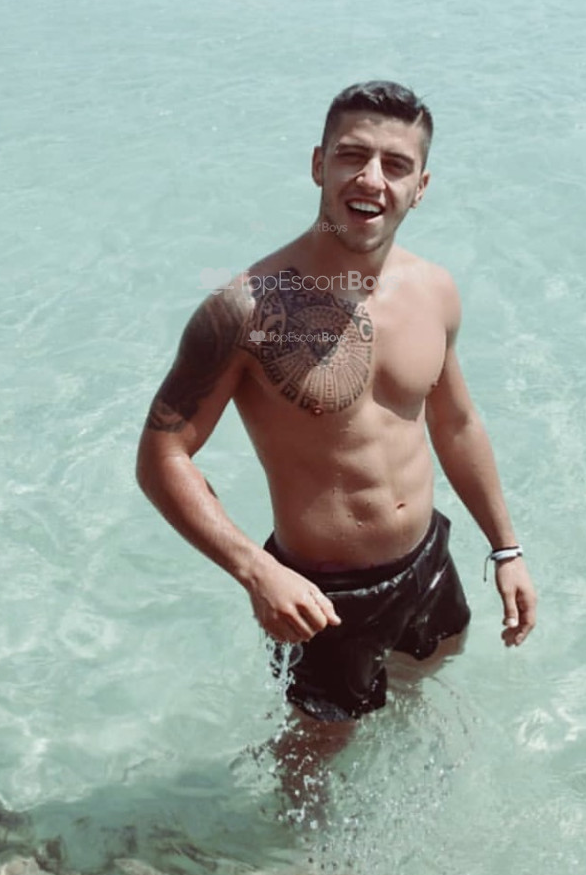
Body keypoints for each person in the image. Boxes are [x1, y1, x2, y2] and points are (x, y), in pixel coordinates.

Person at [136, 81, 537, 732]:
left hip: (427, 561)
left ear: (420, 187)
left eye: (396, 164)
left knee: (426, 680)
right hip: (320, 595)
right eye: (353, 155)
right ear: (319, 164)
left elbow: (456, 422)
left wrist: (505, 550)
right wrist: (257, 572)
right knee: (313, 752)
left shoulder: (433, 290)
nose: (372, 179)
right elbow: (161, 455)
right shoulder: (245, 311)